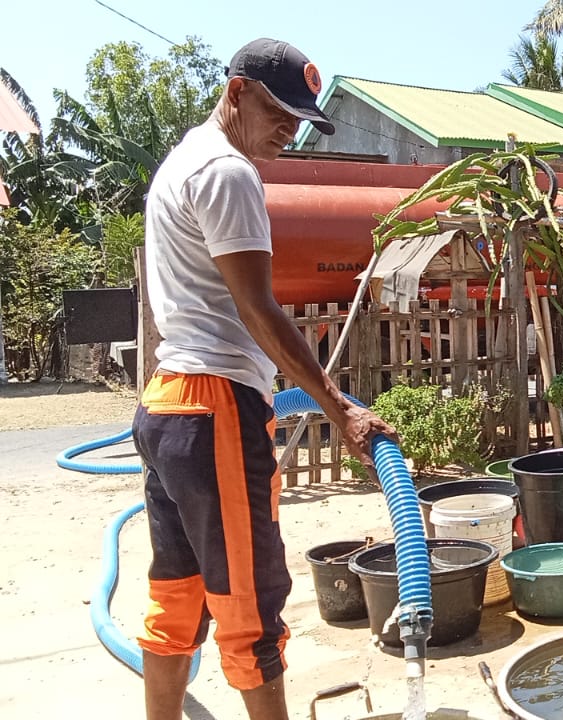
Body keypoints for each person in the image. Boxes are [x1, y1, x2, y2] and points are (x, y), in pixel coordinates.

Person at [132, 38, 395, 720]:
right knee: (251, 611)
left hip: (166, 403)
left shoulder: (181, 161)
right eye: (277, 110)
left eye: (300, 117)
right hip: (214, 405)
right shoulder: (229, 173)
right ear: (237, 92)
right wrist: (342, 410)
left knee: (177, 598)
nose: (288, 128)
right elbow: (258, 309)